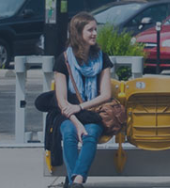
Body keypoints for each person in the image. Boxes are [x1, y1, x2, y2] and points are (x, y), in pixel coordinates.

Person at [52, 12, 116, 188]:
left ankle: (76, 181)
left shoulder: (102, 58)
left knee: (90, 134)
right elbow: (61, 101)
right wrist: (76, 121)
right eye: (90, 30)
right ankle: (76, 182)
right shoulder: (63, 60)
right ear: (78, 33)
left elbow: (105, 95)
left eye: (96, 29)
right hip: (67, 115)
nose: (94, 33)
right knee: (69, 133)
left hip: (92, 112)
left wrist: (80, 107)